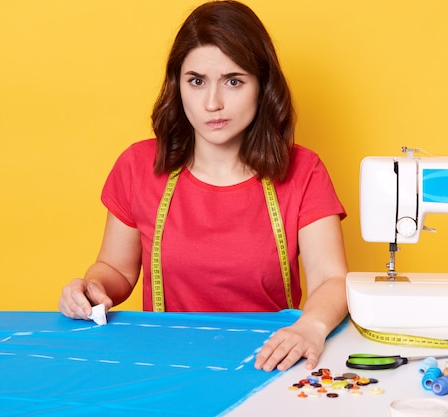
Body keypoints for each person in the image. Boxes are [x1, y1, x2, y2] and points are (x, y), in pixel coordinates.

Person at [58, 0, 348, 373]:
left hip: (268, 361)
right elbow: (116, 268)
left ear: (263, 86)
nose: (212, 103)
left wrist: (311, 327)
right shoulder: (137, 166)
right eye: (196, 81)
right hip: (165, 364)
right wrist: (91, 288)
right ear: (177, 85)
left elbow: (331, 279)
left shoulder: (303, 171)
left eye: (233, 81)